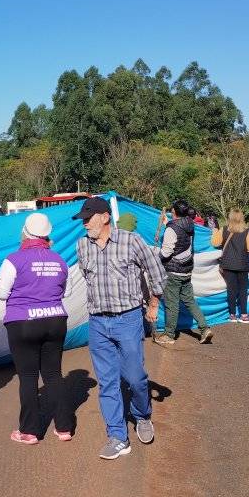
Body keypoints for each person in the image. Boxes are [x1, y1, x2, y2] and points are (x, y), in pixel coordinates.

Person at [73, 196, 165, 460]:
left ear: (104, 217)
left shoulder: (131, 241)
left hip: (128, 319)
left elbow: (156, 272)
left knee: (135, 378)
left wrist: (154, 304)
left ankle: (142, 415)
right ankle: (117, 436)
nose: (84, 225)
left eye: (88, 219)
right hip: (98, 322)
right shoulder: (83, 246)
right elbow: (88, 279)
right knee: (107, 382)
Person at [0, 212, 74, 443]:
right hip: (55, 320)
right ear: (48, 234)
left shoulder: (14, 260)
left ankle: (29, 431)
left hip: (23, 323)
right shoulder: (60, 260)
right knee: (53, 374)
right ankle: (64, 427)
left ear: (25, 233)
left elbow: (0, 293)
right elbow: (65, 292)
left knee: (28, 376)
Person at [155, 199, 214, 345]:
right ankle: (204, 328)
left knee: (172, 303)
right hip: (187, 270)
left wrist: (156, 258)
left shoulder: (171, 229)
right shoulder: (190, 224)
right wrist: (167, 223)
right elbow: (180, 233)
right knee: (190, 301)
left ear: (173, 211)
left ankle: (169, 335)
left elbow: (167, 251)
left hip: (173, 271)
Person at [211, 210, 249, 322]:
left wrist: (214, 230)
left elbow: (215, 243)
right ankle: (244, 315)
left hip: (228, 264)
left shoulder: (224, 229)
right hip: (242, 264)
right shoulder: (246, 231)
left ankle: (232, 315)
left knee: (231, 290)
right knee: (242, 290)